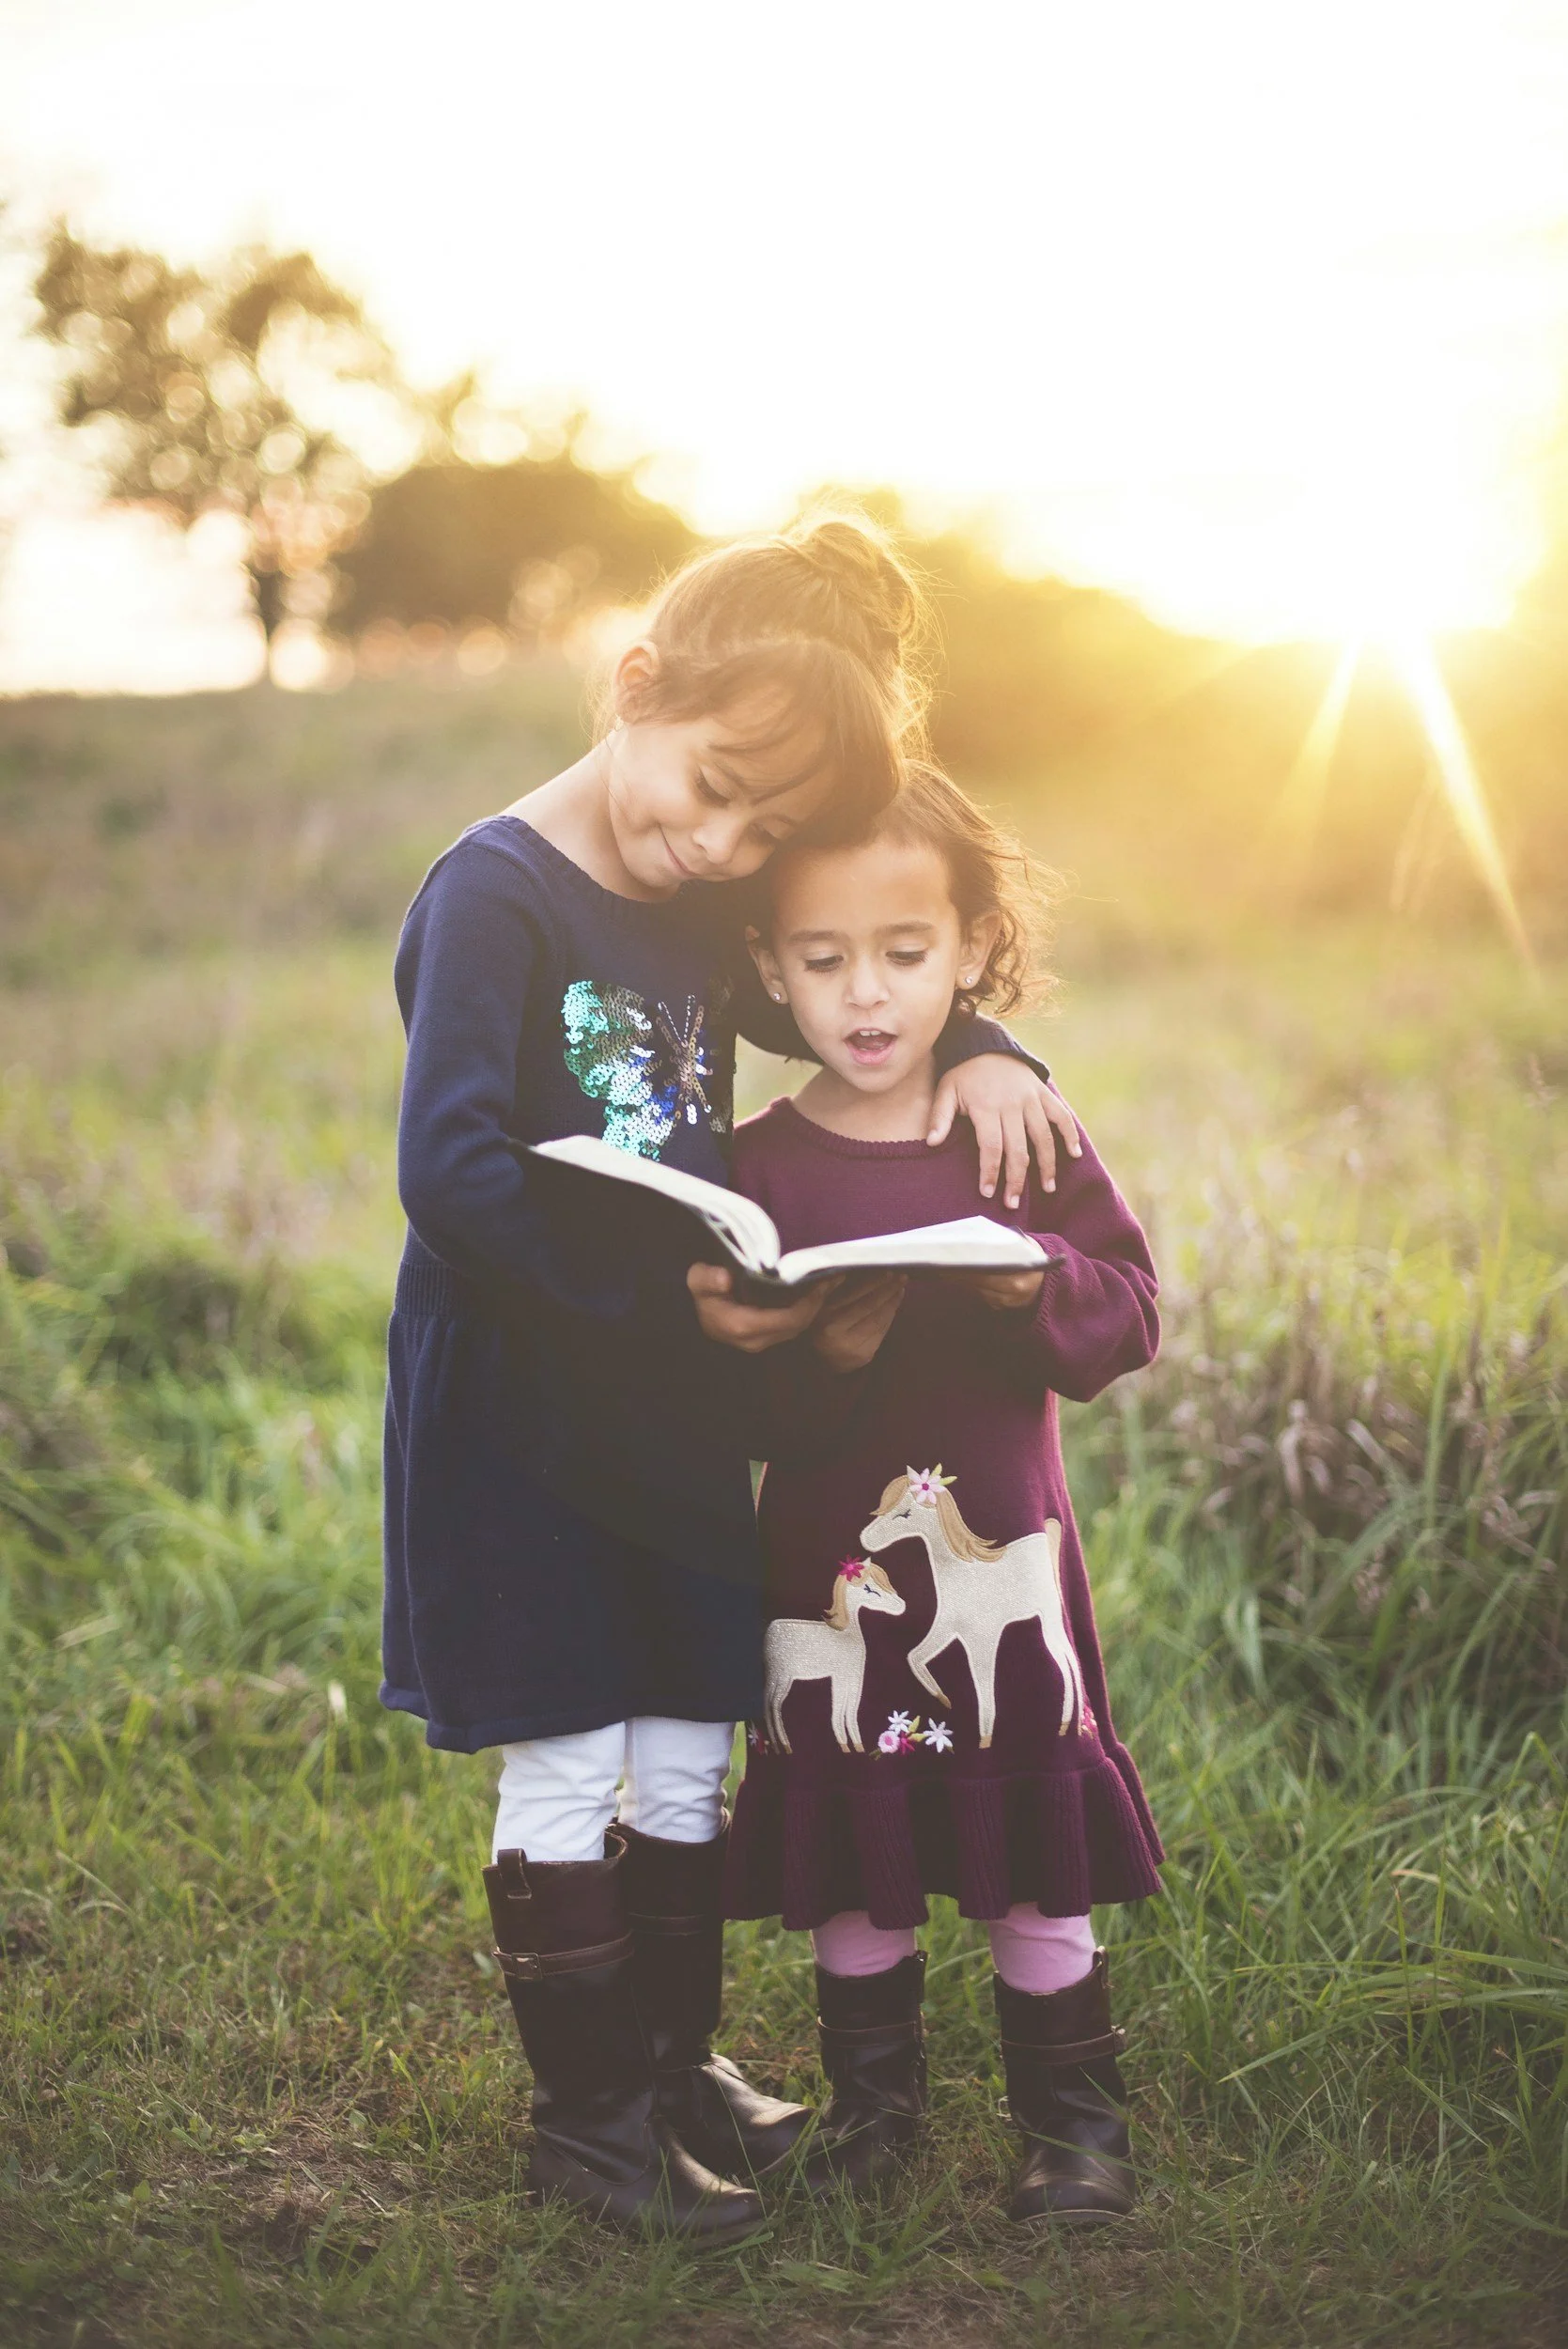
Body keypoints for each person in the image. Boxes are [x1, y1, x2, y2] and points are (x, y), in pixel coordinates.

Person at [380, 515, 1078, 2244]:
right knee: (566, 1752)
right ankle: (591, 2130)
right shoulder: (494, 890)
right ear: (634, 689)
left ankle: (676, 2071)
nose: (723, 846)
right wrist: (652, 1309)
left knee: (692, 1740)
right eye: (712, 792)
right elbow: (453, 1171)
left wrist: (985, 1043)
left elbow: (843, 994)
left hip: (677, 1404)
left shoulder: (698, 900)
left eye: (765, 830)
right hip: (529, 1398)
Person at [721, 764, 1164, 2227]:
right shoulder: (757, 1171)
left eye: (906, 955)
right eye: (823, 958)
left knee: (1031, 1851)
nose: (865, 994)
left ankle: (1073, 2127)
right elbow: (728, 1404)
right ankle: (874, 2115)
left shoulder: (1016, 1128)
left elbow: (1129, 1315)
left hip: (1002, 1560)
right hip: (828, 1572)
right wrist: (821, 1354)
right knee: (853, 1851)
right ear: (769, 968)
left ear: (971, 950)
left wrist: (1031, 1279)